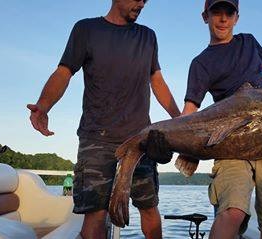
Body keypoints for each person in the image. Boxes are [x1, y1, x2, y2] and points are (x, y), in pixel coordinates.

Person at [27, 0, 180, 238]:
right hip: (96, 138)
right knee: (95, 214)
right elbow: (64, 72)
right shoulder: (86, 30)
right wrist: (44, 106)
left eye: (146, 0)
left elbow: (157, 80)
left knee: (149, 207)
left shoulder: (148, 36)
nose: (142, 3)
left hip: (140, 141)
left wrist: (179, 120)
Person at [180, 0, 262, 238]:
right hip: (231, 146)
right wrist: (172, 140)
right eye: (216, 12)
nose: (223, 19)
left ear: (237, 17)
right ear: (205, 16)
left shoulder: (249, 42)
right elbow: (190, 110)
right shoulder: (201, 63)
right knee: (232, 211)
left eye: (229, 12)